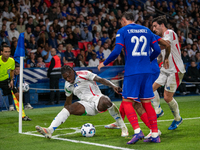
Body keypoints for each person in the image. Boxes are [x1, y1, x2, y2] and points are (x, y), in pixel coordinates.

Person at [98, 12, 161, 144]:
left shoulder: (123, 31)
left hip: (133, 71)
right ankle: (155, 134)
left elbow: (116, 51)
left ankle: (137, 131)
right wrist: (147, 60)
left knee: (126, 101)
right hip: (146, 71)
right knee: (146, 103)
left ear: (123, 19)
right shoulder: (147, 30)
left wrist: (104, 63)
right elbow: (157, 50)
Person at [35, 65, 128, 138]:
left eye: (68, 76)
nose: (67, 79)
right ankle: (49, 130)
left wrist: (113, 86)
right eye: (65, 78)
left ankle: (123, 127)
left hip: (98, 99)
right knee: (68, 108)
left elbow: (100, 79)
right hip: (85, 105)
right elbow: (68, 102)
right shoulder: (67, 86)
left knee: (106, 100)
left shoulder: (84, 74)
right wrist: (65, 113)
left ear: (72, 72)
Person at [151, 15, 186, 130]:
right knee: (150, 89)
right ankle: (158, 110)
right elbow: (160, 57)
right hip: (165, 70)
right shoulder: (160, 38)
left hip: (175, 70)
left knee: (167, 97)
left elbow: (165, 45)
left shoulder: (169, 33)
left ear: (162, 25)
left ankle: (177, 118)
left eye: (155, 26)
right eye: (152, 27)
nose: (154, 29)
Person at [0, 45, 15, 111]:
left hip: (5, 80)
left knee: (16, 92)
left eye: (9, 52)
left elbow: (12, 70)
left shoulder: (11, 60)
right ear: (1, 52)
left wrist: (11, 80)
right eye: (5, 52)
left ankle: (21, 113)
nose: (7, 53)